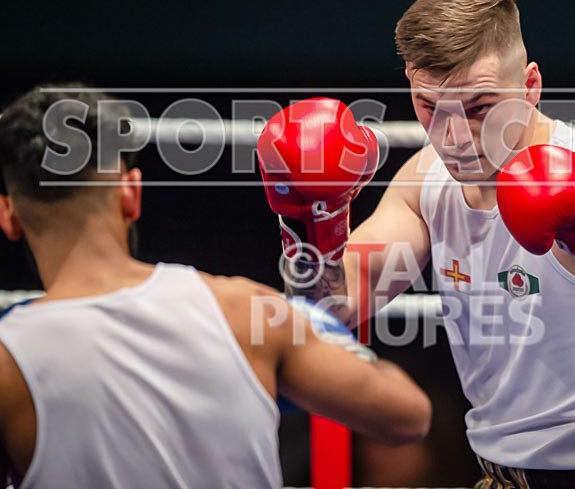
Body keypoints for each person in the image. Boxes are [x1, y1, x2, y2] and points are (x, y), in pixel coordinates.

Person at [257, 0, 575, 489]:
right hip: (495, 476)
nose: (453, 136)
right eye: (429, 107)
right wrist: (310, 226)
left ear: (530, 85)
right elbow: (333, 304)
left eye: (480, 107)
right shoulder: (425, 178)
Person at [0, 86, 432, 488]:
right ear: (131, 194)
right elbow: (407, 416)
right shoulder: (242, 312)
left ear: (9, 217)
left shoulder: (8, 359)